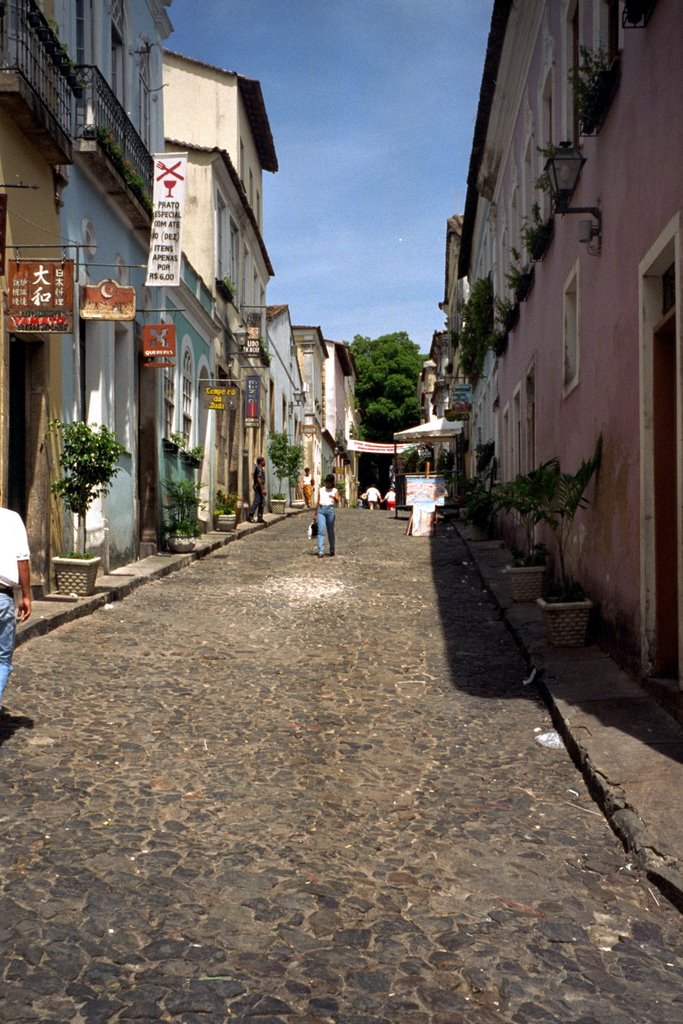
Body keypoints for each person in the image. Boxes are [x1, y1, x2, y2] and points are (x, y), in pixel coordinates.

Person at [0, 507, 31, 713]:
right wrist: (26, 595)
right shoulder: (11, 519)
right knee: (2, 659)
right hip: (2, 596)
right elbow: (22, 560)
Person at [315, 473, 339, 557]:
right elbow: (318, 502)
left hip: (330, 511)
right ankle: (320, 551)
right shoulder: (321, 490)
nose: (328, 483)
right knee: (321, 531)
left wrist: (334, 497)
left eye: (330, 482)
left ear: (332, 482)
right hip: (321, 510)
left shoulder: (335, 490)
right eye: (327, 482)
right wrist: (315, 513)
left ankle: (332, 549)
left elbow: (337, 501)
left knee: (330, 531)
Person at [247, 456, 266, 522]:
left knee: (262, 502)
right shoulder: (259, 468)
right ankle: (250, 515)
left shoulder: (260, 468)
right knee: (257, 501)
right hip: (258, 487)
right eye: (264, 461)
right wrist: (262, 489)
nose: (265, 462)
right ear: (261, 461)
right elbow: (259, 479)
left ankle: (260, 517)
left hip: (259, 486)